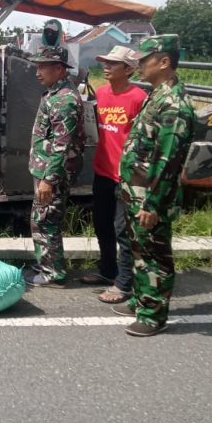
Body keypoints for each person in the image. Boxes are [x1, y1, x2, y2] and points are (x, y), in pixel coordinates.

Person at [112, 35, 195, 336]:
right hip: (137, 191)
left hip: (151, 195)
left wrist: (153, 203)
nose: (138, 64)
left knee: (155, 254)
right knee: (139, 249)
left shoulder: (174, 103)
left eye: (144, 59)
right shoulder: (157, 94)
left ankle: (153, 315)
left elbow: (168, 159)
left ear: (164, 62)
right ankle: (140, 298)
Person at [79, 46, 147, 304]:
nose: (106, 66)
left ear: (129, 69)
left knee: (123, 230)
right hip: (102, 171)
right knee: (102, 224)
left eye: (113, 63)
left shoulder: (139, 97)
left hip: (127, 176)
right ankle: (108, 270)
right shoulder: (103, 93)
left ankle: (124, 283)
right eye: (105, 62)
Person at [25, 46, 85, 286]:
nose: (38, 72)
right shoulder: (54, 93)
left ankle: (52, 272)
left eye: (43, 67)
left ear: (59, 69)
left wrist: (49, 179)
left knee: (45, 220)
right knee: (42, 218)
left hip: (53, 172)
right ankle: (46, 263)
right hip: (45, 168)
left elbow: (62, 144)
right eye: (37, 66)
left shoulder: (64, 100)